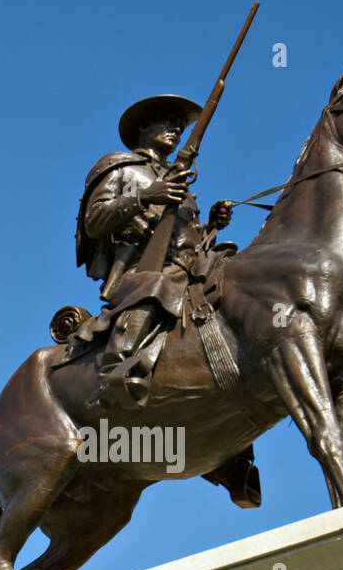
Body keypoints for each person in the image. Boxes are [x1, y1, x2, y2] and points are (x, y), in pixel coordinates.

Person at [73, 94, 260, 507]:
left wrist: (211, 223)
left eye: (179, 124)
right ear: (143, 129)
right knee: (154, 291)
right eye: (167, 123)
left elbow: (183, 237)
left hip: (187, 267)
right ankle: (114, 379)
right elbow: (95, 219)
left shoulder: (177, 175)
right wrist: (146, 195)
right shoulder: (120, 167)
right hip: (142, 271)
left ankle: (231, 448)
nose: (175, 130)